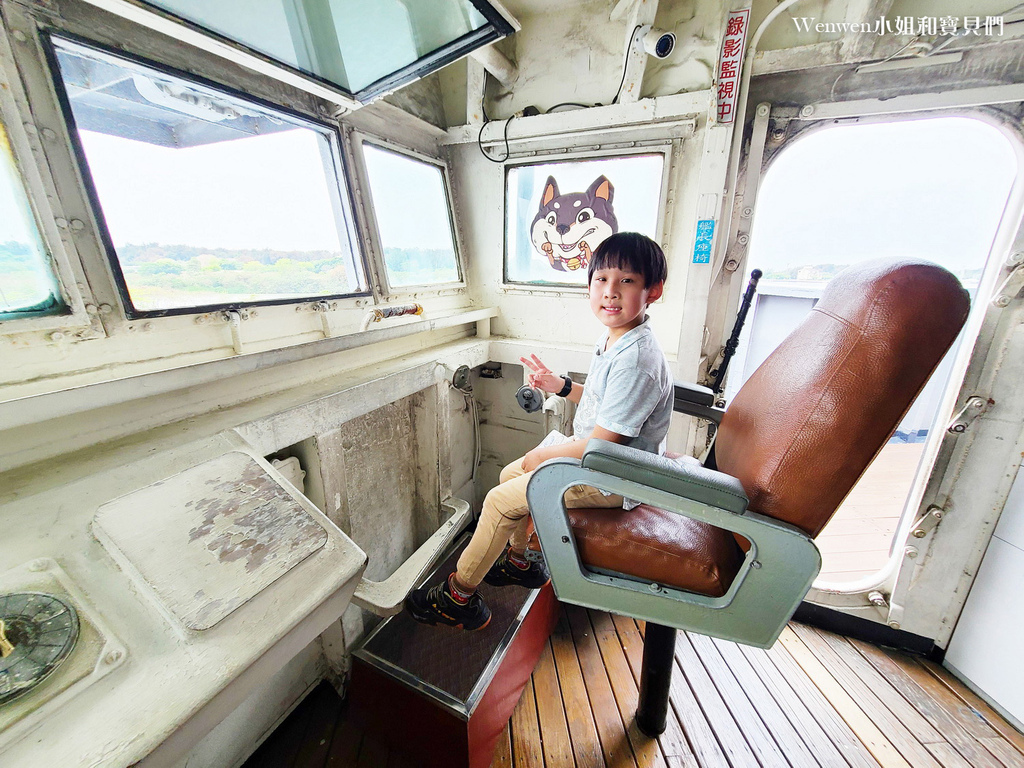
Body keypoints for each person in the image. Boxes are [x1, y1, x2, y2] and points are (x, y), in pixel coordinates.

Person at [404, 232, 673, 630]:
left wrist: (544, 457)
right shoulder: (617, 339)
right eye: (601, 280)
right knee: (509, 476)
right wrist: (561, 386)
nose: (611, 292)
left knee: (498, 500)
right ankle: (521, 562)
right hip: (601, 461)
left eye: (627, 281)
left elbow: (603, 444)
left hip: (614, 478)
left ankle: (459, 597)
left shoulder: (637, 359)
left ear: (653, 291)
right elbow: (604, 403)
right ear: (589, 287)